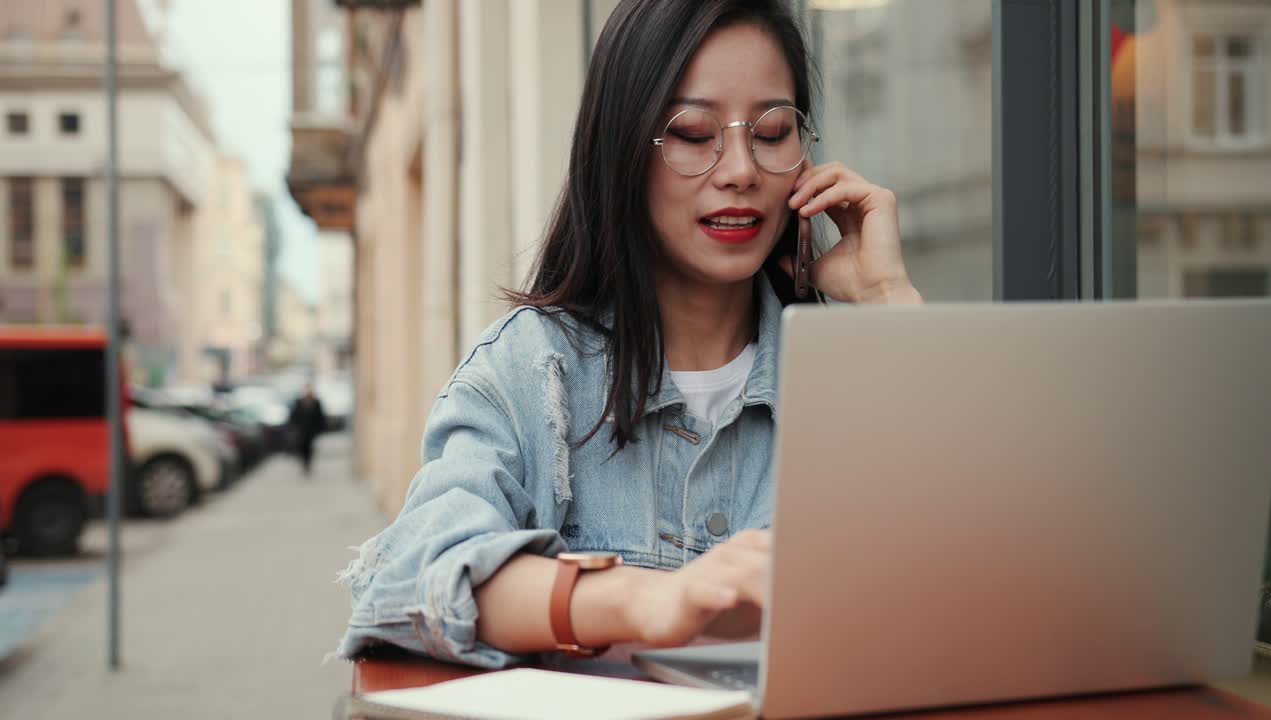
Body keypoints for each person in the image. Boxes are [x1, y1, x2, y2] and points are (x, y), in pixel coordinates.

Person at [337, 0, 922, 668]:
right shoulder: (531, 372)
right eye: (693, 133)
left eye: (772, 131)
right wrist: (644, 600)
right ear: (622, 149)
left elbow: (972, 568)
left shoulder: (850, 380)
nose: (741, 170)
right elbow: (409, 582)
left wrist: (889, 301)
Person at [289, 385, 327, 476]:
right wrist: (294, 427)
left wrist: (320, 429)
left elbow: (320, 417)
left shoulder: (316, 403)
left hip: (311, 431)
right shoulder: (299, 402)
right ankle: (304, 462)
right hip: (301, 430)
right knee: (301, 447)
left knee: (309, 448)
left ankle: (308, 463)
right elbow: (294, 416)